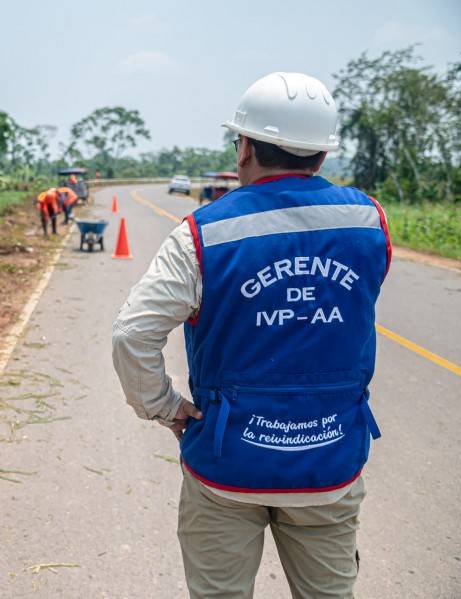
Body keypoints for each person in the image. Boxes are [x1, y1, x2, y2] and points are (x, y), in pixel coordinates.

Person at [112, 72, 391, 599]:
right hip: (329, 463)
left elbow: (132, 333)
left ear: (244, 148)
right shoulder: (370, 221)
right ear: (321, 155)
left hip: (227, 468)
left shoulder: (201, 233)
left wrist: (165, 407)